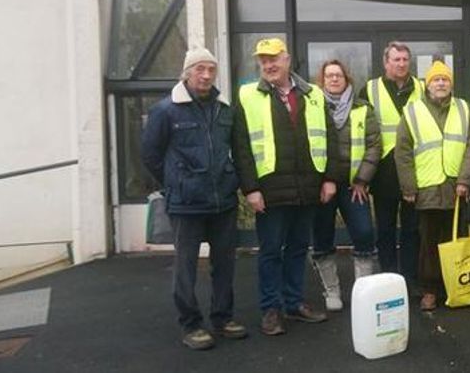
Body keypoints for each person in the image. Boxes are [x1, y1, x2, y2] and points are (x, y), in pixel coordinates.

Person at [141, 47, 247, 350]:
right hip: (186, 204)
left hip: (223, 201)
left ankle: (223, 318)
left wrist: (233, 180)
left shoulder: (224, 109)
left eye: (211, 70)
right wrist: (176, 182)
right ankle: (191, 324)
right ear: (186, 73)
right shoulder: (166, 110)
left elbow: (235, 149)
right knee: (185, 267)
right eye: (199, 69)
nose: (206, 75)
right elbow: (150, 155)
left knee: (224, 265)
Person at [232, 38, 338, 336]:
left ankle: (293, 303)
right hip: (269, 191)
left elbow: (329, 137)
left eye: (274, 58)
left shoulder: (313, 94)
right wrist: (250, 189)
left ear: (287, 59)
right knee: (270, 252)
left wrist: (329, 178)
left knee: (297, 249)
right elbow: (240, 146)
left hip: (307, 188)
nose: (268, 65)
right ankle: (271, 309)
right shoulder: (248, 95)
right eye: (263, 60)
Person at [395, 61, 470, 311]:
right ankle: (430, 290)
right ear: (427, 84)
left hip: (457, 188)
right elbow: (402, 153)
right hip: (427, 188)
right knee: (429, 242)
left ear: (451, 83)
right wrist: (408, 187)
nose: (441, 83)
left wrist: (465, 179)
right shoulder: (412, 111)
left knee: (456, 238)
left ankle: (457, 286)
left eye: (445, 79)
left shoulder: (465, 109)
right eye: (436, 80)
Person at [310, 60, 381, 312]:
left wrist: (363, 179)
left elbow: (374, 144)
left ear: (346, 78)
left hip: (354, 186)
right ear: (322, 80)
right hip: (322, 187)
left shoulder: (362, 108)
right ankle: (331, 291)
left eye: (338, 75)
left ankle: (362, 291)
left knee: (363, 233)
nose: (334, 79)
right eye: (329, 76)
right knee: (322, 237)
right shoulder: (312, 107)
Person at [359, 42, 425, 285]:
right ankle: (389, 278)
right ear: (386, 62)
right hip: (383, 170)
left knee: (412, 229)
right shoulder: (369, 89)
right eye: (396, 59)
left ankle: (410, 278)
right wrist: (362, 175)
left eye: (405, 59)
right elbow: (360, 132)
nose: (401, 64)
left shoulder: (422, 88)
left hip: (414, 168)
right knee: (385, 229)